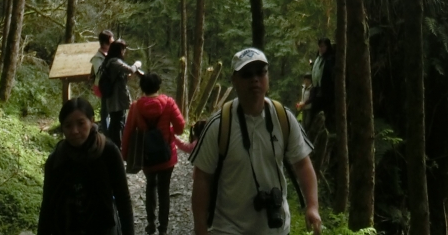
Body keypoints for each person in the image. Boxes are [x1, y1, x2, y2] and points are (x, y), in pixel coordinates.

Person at [190, 47, 321, 235]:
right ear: (234, 80)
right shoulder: (219, 125)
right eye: (247, 74)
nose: (255, 79)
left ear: (267, 77)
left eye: (261, 72)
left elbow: (302, 164)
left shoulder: (283, 118)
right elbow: (202, 178)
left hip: (276, 228)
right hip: (228, 228)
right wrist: (200, 228)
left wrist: (312, 207)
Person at [37, 96, 134, 235]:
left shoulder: (108, 151)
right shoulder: (57, 159)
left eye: (81, 123)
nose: (75, 131)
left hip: (104, 229)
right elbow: (47, 205)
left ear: (92, 121)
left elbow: (123, 199)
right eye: (68, 125)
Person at [122, 72, 185, 235]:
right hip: (166, 155)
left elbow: (128, 132)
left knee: (151, 186)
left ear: (142, 88)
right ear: (159, 86)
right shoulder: (169, 103)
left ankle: (150, 223)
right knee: (164, 191)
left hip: (147, 155)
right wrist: (169, 130)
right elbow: (180, 127)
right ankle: (163, 228)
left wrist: (124, 155)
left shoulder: (136, 107)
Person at [99, 39, 141, 149]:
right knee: (117, 123)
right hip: (116, 99)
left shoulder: (110, 61)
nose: (124, 51)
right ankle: (116, 147)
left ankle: (117, 146)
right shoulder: (114, 62)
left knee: (118, 122)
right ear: (118, 50)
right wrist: (137, 64)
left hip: (115, 98)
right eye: (123, 49)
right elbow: (130, 70)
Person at [90, 29, 114, 133]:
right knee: (105, 111)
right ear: (104, 43)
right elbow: (99, 73)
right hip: (105, 86)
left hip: (112, 85)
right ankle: (106, 132)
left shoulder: (110, 54)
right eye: (110, 43)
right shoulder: (97, 58)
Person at [309, 38, 335, 130]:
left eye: (323, 46)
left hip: (325, 91)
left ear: (327, 47)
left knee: (325, 114)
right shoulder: (318, 58)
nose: (321, 48)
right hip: (316, 90)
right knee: (313, 114)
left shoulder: (330, 59)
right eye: (320, 46)